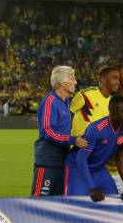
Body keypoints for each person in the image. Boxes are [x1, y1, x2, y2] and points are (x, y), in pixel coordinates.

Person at [65, 96, 123, 203]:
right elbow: (80, 160)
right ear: (113, 113)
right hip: (77, 168)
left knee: (114, 200)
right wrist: (92, 188)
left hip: (98, 170)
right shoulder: (96, 129)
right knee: (78, 203)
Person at [32, 66, 87, 198]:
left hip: (62, 161)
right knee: (39, 202)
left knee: (57, 202)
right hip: (47, 162)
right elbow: (48, 131)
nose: (75, 82)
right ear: (62, 83)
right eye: (72, 78)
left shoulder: (66, 101)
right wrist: (74, 140)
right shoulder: (50, 101)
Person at [70, 66, 120, 137]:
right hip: (79, 145)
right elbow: (68, 113)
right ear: (103, 79)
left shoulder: (113, 102)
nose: (118, 82)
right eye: (114, 78)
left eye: (119, 79)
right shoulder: (86, 94)